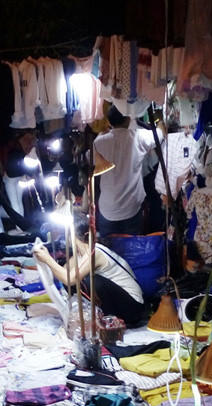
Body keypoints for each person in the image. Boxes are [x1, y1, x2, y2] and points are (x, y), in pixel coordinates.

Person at [32, 214, 145, 328]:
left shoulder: (95, 252)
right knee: (75, 279)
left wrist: (48, 259)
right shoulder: (79, 255)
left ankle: (108, 319)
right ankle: (95, 316)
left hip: (133, 308)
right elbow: (63, 274)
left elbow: (70, 279)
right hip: (119, 303)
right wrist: (45, 259)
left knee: (90, 281)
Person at [92, 104, 160, 237]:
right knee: (131, 247)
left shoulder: (99, 142)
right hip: (131, 208)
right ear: (128, 118)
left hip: (108, 209)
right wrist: (161, 122)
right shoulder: (138, 137)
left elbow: (91, 160)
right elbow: (160, 135)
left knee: (107, 248)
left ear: (109, 121)